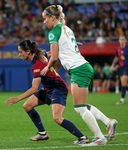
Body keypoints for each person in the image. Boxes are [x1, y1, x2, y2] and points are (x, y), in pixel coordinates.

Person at [40, 5, 118, 145]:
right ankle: (108, 122)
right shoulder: (67, 29)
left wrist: (47, 67)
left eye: (45, 18)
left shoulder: (53, 32)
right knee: (82, 106)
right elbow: (64, 51)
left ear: (52, 17)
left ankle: (100, 138)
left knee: (79, 107)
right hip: (83, 67)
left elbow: (54, 57)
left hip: (79, 69)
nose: (44, 21)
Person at [5, 39, 90, 144]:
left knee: (57, 118)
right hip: (48, 89)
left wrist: (17, 98)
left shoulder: (37, 64)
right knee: (27, 106)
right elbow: (54, 52)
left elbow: (34, 89)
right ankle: (42, 133)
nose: (19, 54)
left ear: (28, 52)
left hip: (58, 88)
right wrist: (70, 46)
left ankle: (82, 138)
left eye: (20, 52)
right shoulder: (39, 56)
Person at [110, 35, 128, 104]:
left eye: (123, 39)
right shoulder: (117, 48)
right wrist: (112, 65)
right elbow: (116, 57)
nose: (122, 41)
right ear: (119, 41)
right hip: (121, 67)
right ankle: (122, 99)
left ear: (125, 40)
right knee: (124, 83)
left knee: (123, 82)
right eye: (120, 39)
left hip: (127, 66)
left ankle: (122, 100)